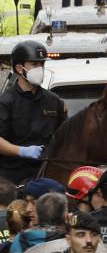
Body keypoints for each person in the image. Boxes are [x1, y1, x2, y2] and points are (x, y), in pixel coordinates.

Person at [0, 39, 65, 186]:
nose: (40, 68)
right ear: (19, 68)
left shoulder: (54, 101)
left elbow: (65, 134)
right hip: (11, 177)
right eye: (34, 64)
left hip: (46, 175)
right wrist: (22, 151)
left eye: (42, 64)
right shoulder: (6, 102)